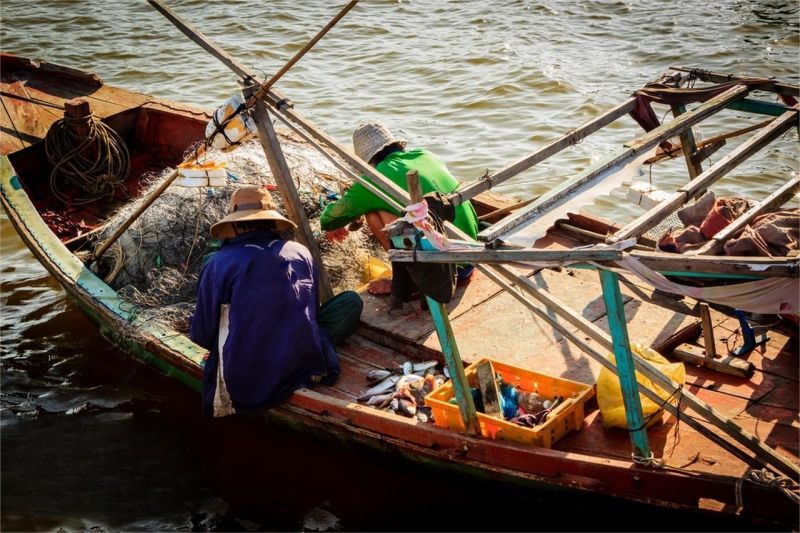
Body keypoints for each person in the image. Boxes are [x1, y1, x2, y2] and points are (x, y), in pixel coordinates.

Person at [190, 186, 363, 417]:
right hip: (304, 360)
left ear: (235, 224)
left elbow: (202, 335)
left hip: (247, 377)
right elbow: (310, 311)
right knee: (351, 301)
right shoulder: (300, 252)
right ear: (272, 221)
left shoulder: (218, 263)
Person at [320, 122, 479, 294]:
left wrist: (336, 222)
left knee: (371, 212)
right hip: (472, 253)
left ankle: (408, 282)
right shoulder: (425, 155)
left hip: (445, 268)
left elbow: (329, 218)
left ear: (368, 161)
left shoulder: (375, 177)